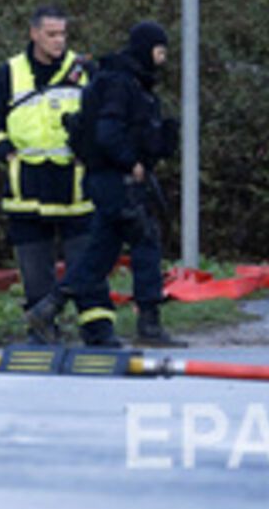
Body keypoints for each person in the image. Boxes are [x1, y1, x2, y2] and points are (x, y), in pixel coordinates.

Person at [32, 21, 181, 348]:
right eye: (160, 51)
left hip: (108, 181)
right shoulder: (120, 84)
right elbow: (108, 134)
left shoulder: (125, 82)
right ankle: (149, 324)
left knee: (98, 255)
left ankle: (48, 308)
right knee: (146, 241)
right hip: (117, 181)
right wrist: (132, 162)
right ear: (146, 49)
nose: (163, 59)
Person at [0, 5, 93, 343]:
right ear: (34, 34)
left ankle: (95, 330)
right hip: (26, 187)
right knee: (33, 268)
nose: (59, 41)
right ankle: (43, 330)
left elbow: (104, 117)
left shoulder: (84, 70)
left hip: (73, 187)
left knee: (85, 264)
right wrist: (4, 151)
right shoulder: (11, 72)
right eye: (51, 34)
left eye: (63, 34)